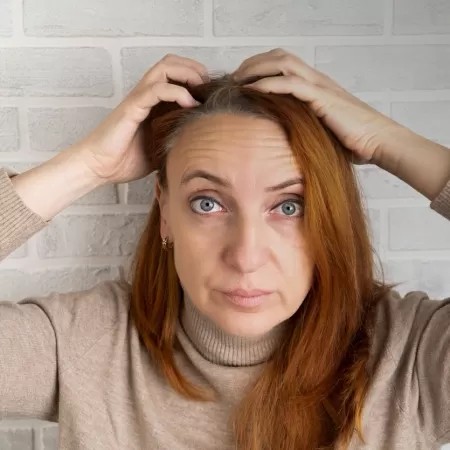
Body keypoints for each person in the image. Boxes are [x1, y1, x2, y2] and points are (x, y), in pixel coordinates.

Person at [0, 48, 449, 450]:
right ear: (165, 212)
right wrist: (88, 165)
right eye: (208, 203)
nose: (246, 257)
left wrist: (387, 141)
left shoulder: (410, 358)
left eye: (289, 206)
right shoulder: (85, 344)